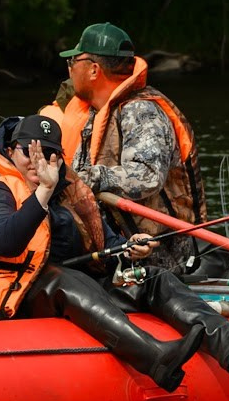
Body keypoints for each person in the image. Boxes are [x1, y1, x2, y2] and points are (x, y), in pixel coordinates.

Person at [0, 113, 229, 390]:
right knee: (64, 278)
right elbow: (6, 241)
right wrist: (42, 193)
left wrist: (127, 250)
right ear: (9, 151)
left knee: (152, 276)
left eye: (49, 155)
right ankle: (156, 357)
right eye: (28, 153)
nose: (39, 163)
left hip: (85, 288)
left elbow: (104, 244)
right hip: (22, 295)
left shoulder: (67, 191)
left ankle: (227, 343)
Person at [54, 22, 217, 273]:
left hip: (160, 257)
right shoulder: (99, 114)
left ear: (94, 70)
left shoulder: (141, 111)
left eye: (73, 61)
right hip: (119, 249)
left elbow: (147, 175)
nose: (69, 69)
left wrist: (91, 177)